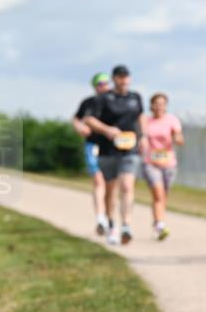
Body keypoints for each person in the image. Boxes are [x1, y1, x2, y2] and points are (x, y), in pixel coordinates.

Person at [84, 65, 146, 246]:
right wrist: (106, 130)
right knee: (110, 190)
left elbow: (141, 117)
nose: (123, 80)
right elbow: (89, 120)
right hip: (108, 150)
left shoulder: (136, 98)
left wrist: (144, 137)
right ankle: (112, 225)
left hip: (130, 149)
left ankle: (126, 225)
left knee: (127, 186)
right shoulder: (103, 99)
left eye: (126, 76)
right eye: (120, 77)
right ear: (114, 79)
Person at [73, 73, 113, 235]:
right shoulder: (88, 103)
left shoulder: (116, 101)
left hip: (113, 148)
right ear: (95, 86)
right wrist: (79, 127)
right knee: (98, 180)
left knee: (111, 185)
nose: (103, 86)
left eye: (105, 83)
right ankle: (100, 218)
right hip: (94, 145)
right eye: (100, 84)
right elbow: (76, 118)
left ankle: (109, 217)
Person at [142, 93, 184, 240]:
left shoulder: (172, 120)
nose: (159, 106)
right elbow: (143, 138)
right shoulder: (146, 121)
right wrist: (143, 144)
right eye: (156, 103)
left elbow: (179, 137)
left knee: (162, 196)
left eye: (162, 103)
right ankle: (160, 224)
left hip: (169, 162)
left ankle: (157, 221)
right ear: (151, 105)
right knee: (158, 193)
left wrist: (177, 138)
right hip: (150, 162)